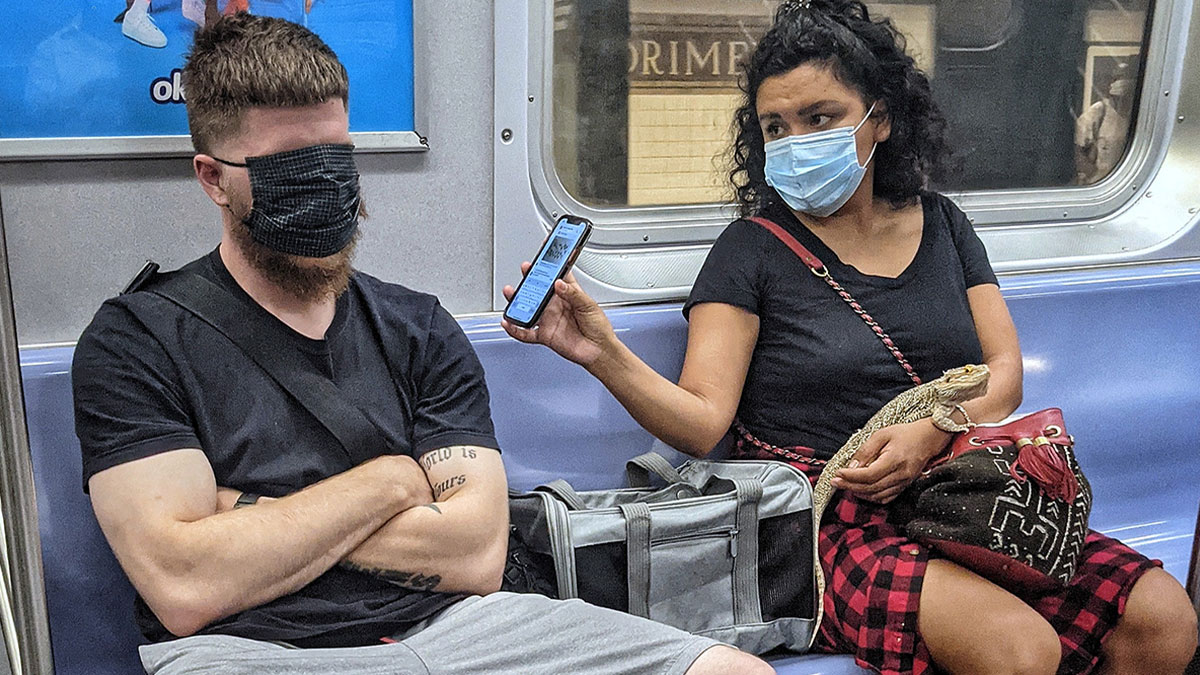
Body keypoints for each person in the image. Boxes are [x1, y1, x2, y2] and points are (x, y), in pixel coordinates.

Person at [502, 2, 1197, 674]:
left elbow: (1003, 371)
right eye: (775, 127)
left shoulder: (944, 225)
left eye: (820, 118)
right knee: (1018, 651)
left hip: (955, 491)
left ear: (880, 120)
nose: (796, 142)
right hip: (823, 519)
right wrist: (601, 352)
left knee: (1163, 618)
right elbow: (702, 420)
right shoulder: (750, 251)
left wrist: (932, 431)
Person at [72, 14, 772, 675]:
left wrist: (245, 517)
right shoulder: (136, 342)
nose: (324, 187)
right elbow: (186, 584)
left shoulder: (417, 327)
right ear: (214, 178)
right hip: (255, 648)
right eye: (291, 165)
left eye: (336, 158)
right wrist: (390, 482)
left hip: (456, 625)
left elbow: (475, 553)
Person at [1075, 63, 1136, 184]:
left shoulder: (1137, 114)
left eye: (1126, 77)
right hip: (1099, 184)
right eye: (1117, 77)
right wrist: (1094, 174)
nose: (1121, 82)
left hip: (1126, 182)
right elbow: (1076, 150)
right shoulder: (1099, 111)